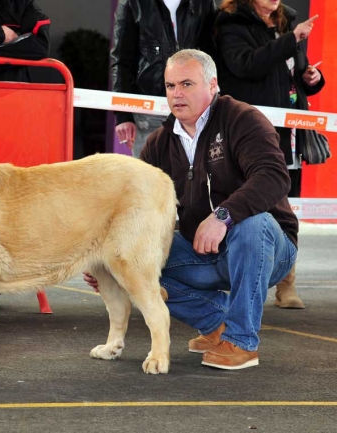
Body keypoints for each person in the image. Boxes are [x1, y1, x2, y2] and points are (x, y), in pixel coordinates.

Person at [85, 49, 298, 370]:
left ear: (212, 85)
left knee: (252, 223)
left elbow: (274, 178)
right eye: (170, 86)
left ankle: (242, 343)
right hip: (202, 252)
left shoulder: (243, 119)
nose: (177, 94)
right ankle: (217, 324)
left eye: (187, 84)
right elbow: (134, 209)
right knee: (125, 262)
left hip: (269, 249)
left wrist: (223, 217)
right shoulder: (158, 144)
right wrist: (105, 257)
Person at [214, 0, 325, 309]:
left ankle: (287, 282)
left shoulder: (285, 23)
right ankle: (237, 278)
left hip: (291, 131)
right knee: (250, 203)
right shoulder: (230, 23)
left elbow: (293, 73)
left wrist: (311, 78)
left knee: (289, 208)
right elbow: (245, 66)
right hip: (253, 132)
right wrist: (291, 41)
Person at [110, 0, 217, 158]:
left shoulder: (204, 3)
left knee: (191, 178)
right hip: (148, 113)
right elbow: (121, 60)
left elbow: (212, 57)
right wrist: (122, 115)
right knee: (148, 178)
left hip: (194, 110)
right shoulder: (132, 3)